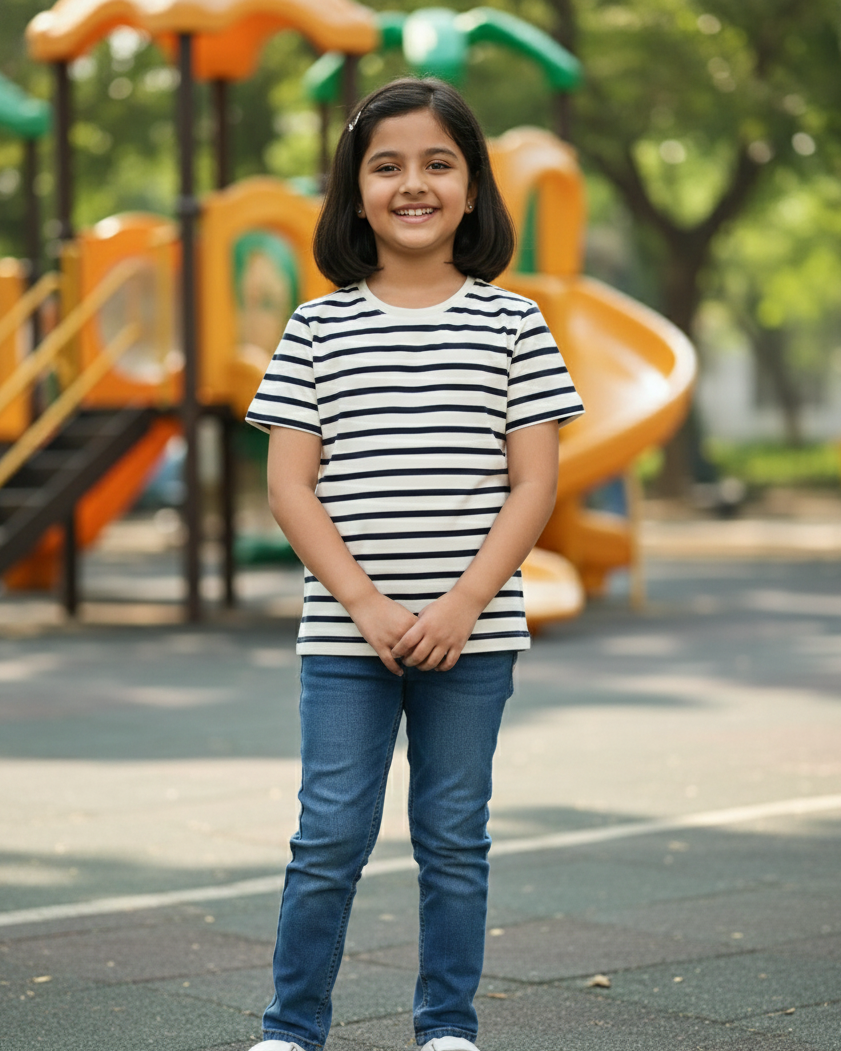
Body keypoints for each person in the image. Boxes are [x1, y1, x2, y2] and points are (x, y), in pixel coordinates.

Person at [244, 77, 584, 1051]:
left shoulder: (512, 325)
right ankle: (291, 1025)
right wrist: (364, 604)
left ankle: (445, 1025)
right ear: (354, 193)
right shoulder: (315, 328)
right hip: (344, 637)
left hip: (473, 639)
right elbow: (289, 490)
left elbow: (532, 485)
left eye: (439, 163)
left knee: (451, 837)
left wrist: (463, 604)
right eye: (385, 166)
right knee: (328, 838)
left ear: (473, 188)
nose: (413, 184)